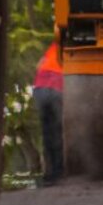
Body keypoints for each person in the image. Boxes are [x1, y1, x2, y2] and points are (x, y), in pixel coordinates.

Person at [33, 40, 64, 186]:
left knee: (47, 132)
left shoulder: (52, 47)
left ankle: (50, 174)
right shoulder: (70, 46)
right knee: (58, 131)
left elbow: (38, 65)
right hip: (55, 89)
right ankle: (59, 173)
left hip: (39, 89)